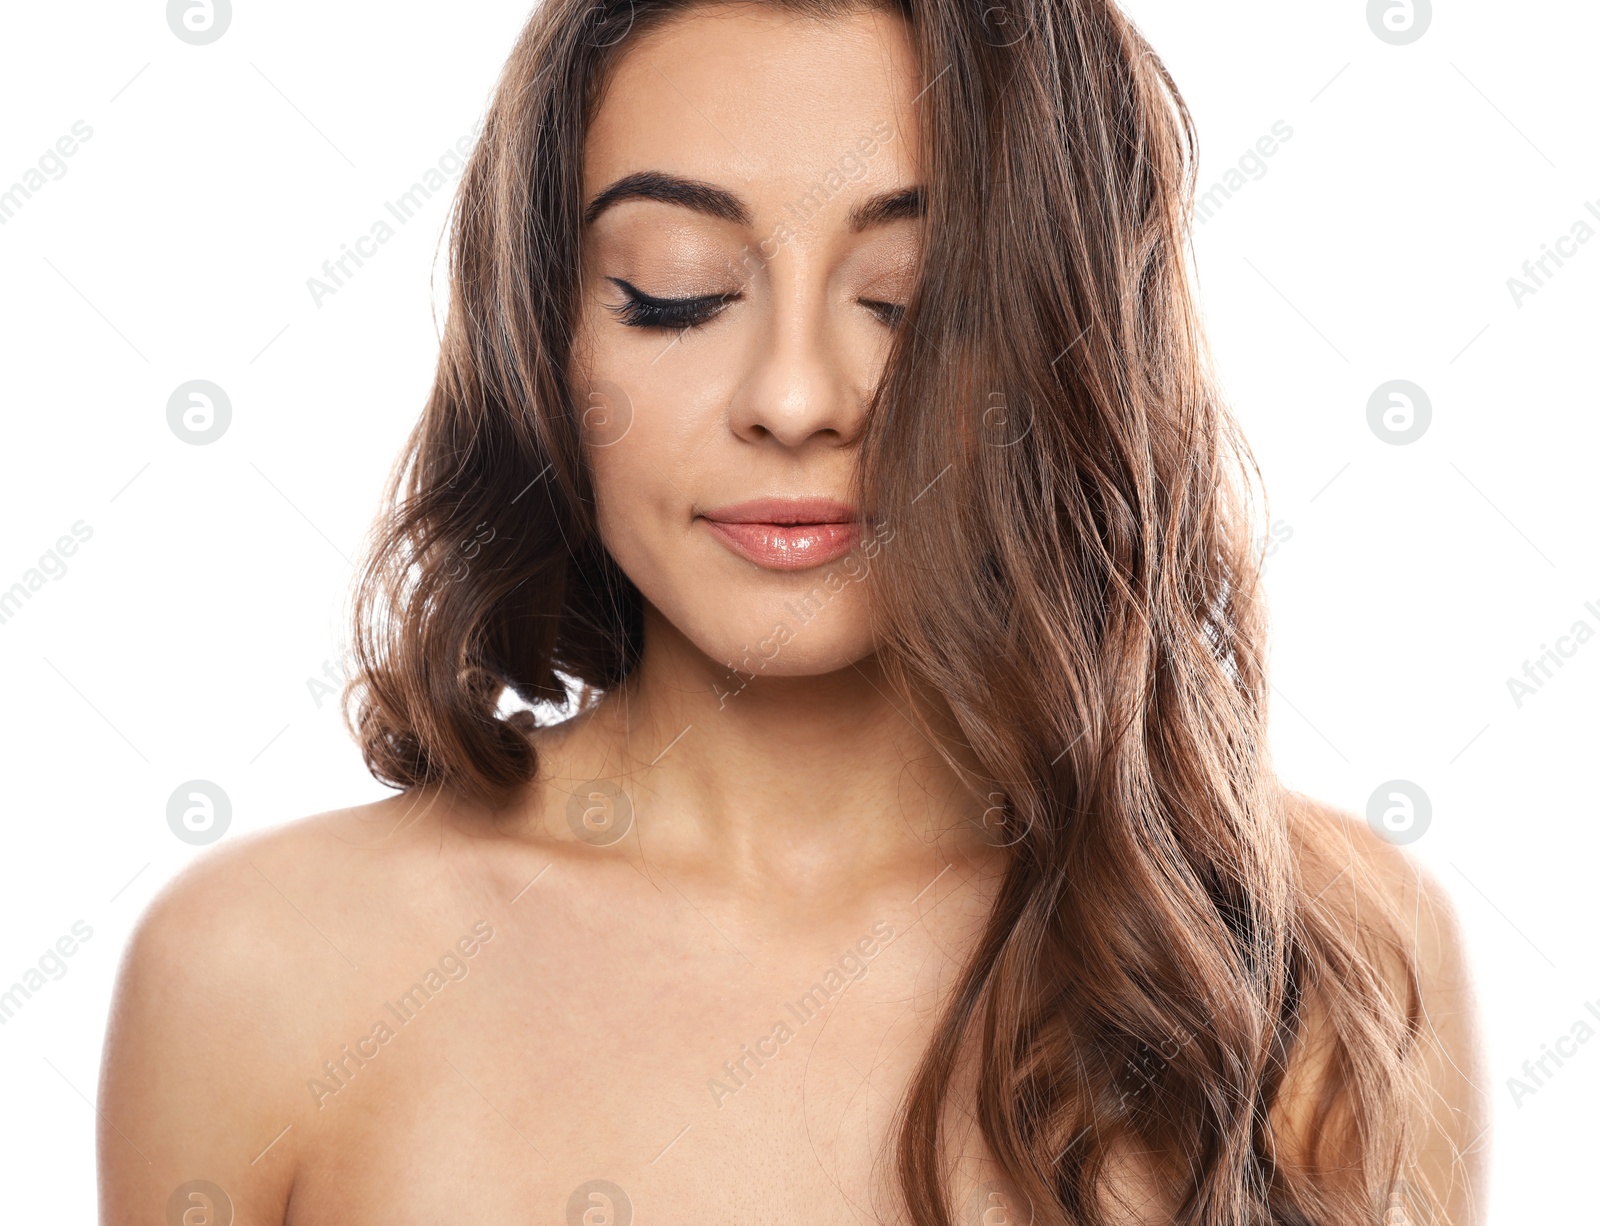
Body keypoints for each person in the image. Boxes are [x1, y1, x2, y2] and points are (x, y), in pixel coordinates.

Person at [99, 0, 1489, 1221]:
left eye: (909, 300)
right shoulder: (258, 982)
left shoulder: (1329, 965)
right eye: (676, 296)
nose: (796, 398)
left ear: (1064, 336)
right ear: (545, 332)